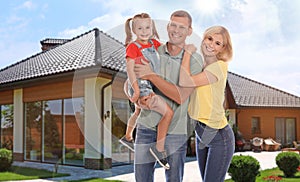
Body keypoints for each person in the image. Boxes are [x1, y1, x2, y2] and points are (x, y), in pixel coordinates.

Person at [133, 10, 203, 182]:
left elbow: (180, 96)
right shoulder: (151, 50)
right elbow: (132, 80)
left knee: (173, 179)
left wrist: (151, 75)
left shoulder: (194, 60)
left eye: (182, 27)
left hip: (175, 131)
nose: (176, 30)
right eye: (173, 25)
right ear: (167, 26)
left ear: (189, 31)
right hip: (146, 126)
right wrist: (135, 95)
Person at [179, 26, 235, 182]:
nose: (211, 44)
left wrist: (187, 53)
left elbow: (185, 81)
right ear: (204, 38)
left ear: (222, 48)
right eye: (210, 39)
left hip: (219, 136)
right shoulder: (199, 66)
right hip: (200, 132)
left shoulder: (219, 67)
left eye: (218, 43)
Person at [119, 13, 174, 169]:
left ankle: (128, 136)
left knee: (137, 112)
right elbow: (130, 70)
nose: (144, 31)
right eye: (140, 28)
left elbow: (167, 51)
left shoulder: (153, 44)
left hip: (147, 82)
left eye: (147, 27)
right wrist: (136, 91)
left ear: (152, 28)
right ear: (134, 30)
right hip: (139, 83)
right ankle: (159, 149)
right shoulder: (133, 46)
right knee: (168, 113)